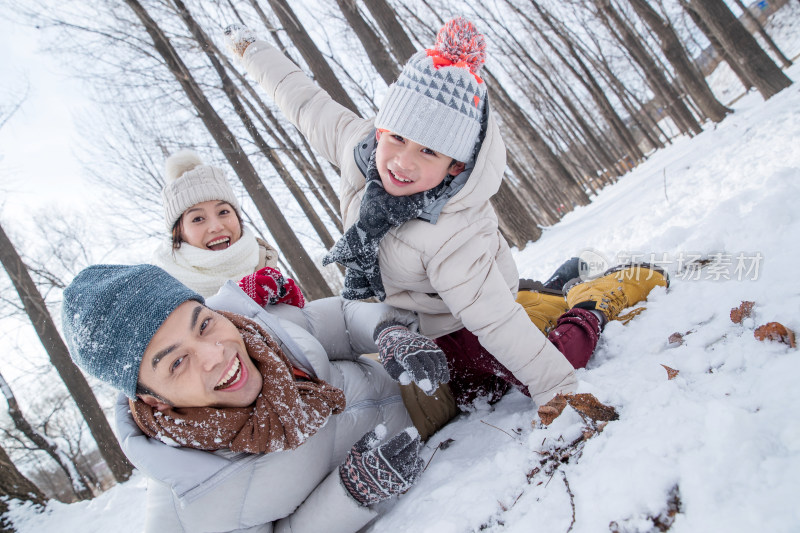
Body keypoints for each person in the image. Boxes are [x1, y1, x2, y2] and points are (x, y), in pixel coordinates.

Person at [224, 18, 669, 409]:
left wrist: (558, 389)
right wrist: (251, 51)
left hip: (466, 320)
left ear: (454, 165)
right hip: (417, 320)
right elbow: (304, 102)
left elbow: (494, 321)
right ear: (381, 130)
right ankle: (553, 287)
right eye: (396, 138)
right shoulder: (360, 149)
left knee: (536, 359)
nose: (401, 161)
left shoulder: (449, 230)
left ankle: (593, 301)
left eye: (428, 151)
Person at [62, 263, 435, 533]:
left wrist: (388, 332)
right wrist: (351, 491)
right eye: (177, 362)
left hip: (447, 402)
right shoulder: (191, 498)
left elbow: (340, 317)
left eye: (204, 324)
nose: (215, 354)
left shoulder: (265, 327)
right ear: (153, 400)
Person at [151, 148, 458, 437]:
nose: (216, 226)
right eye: (198, 218)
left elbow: (324, 333)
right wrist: (236, 305)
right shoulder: (172, 302)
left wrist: (387, 331)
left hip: (349, 398)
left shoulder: (262, 265)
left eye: (223, 211)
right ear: (178, 233)